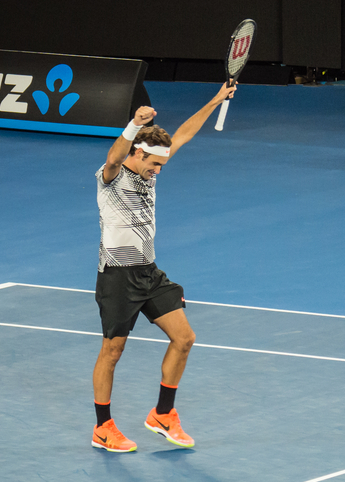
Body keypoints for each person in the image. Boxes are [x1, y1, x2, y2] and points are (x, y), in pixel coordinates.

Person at [91, 82, 236, 453]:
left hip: (149, 273)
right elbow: (112, 156)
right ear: (137, 152)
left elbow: (184, 133)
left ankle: (163, 415)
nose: (157, 171)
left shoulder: (151, 168)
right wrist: (132, 125)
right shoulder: (112, 177)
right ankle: (103, 427)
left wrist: (215, 100)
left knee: (184, 338)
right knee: (112, 351)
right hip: (117, 277)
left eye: (161, 165)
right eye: (153, 163)